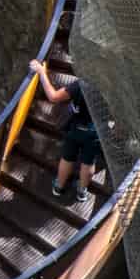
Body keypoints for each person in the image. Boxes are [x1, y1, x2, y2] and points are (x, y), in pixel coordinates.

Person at [27, 58, 100, 206]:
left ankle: (59, 187)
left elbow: (53, 97)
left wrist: (41, 72)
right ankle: (81, 191)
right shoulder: (111, 89)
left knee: (67, 158)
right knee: (89, 161)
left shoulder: (80, 85)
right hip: (95, 131)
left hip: (75, 128)